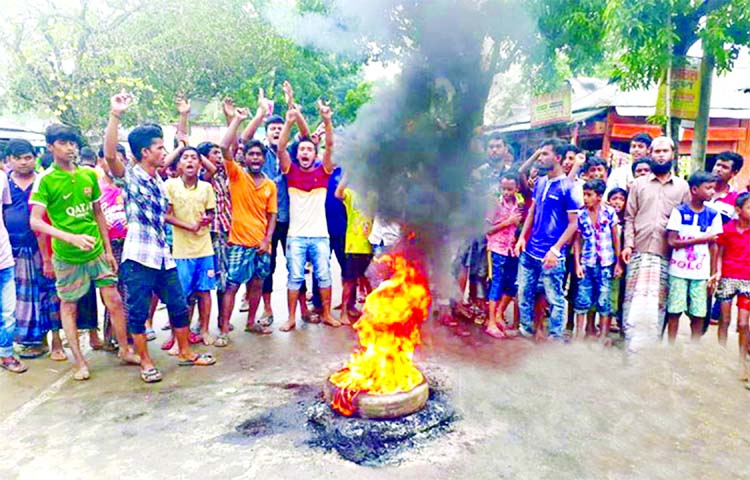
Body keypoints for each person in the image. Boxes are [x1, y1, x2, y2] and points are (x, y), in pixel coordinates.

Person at [104, 91, 215, 384]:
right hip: (138, 259)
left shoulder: (157, 177)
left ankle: (186, 352)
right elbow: (110, 155)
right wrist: (116, 115)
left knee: (179, 306)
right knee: (138, 313)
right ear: (144, 153)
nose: (164, 151)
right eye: (158, 147)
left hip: (163, 257)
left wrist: (184, 115)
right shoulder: (130, 176)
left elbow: (181, 145)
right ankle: (146, 361)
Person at [29, 124, 140, 381]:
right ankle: (79, 361)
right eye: (63, 143)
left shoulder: (89, 176)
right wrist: (70, 237)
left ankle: (125, 349)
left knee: (114, 300)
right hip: (67, 256)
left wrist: (108, 249)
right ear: (50, 147)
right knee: (69, 307)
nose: (70, 148)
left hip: (97, 252)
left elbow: (98, 212)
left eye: (73, 143)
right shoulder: (45, 179)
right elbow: (36, 221)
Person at [621, 136, 690, 350]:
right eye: (657, 151)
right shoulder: (638, 184)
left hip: (666, 253)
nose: (660, 155)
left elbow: (686, 221)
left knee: (658, 302)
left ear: (673, 154)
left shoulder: (682, 187)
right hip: (638, 251)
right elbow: (629, 217)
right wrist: (628, 245)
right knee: (634, 299)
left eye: (665, 151)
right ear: (650, 154)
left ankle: (651, 351)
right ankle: (629, 346)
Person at [216, 108, 277, 345]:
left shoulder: (270, 185)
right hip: (239, 243)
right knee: (232, 286)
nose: (255, 158)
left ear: (263, 158)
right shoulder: (237, 175)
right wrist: (237, 120)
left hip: (261, 245)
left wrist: (266, 241)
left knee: (258, 284)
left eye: (258, 155)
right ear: (245, 157)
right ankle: (223, 329)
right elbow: (223, 148)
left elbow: (272, 216)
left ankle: (251, 323)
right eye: (251, 154)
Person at [277, 102, 337, 331]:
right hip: (296, 236)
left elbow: (330, 146)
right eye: (302, 150)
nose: (305, 152)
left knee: (324, 276)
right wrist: (289, 121)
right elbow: (281, 148)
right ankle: (291, 318)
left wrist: (327, 120)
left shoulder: (323, 172)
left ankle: (327, 314)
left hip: (321, 236)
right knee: (294, 277)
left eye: (309, 149)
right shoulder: (290, 172)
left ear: (315, 153)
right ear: (298, 153)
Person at [514, 138, 582, 341]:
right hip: (530, 251)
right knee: (524, 293)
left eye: (545, 154)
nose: (540, 158)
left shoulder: (569, 188)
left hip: (551, 256)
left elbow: (573, 224)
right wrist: (522, 239)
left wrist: (555, 250)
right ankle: (525, 331)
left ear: (558, 157)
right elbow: (533, 212)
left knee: (555, 299)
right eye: (540, 154)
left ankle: (556, 337)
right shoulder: (541, 182)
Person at [4, 139, 64, 360]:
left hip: (46, 249)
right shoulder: (5, 184)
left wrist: (49, 256)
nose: (23, 162)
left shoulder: (43, 181)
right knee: (25, 297)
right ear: (8, 160)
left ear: (35, 158)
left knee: (52, 294)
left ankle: (57, 341)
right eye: (17, 158)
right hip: (15, 251)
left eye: (28, 157)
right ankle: (36, 341)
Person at [164, 147, 216, 345]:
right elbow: (166, 215)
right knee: (180, 295)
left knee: (205, 291)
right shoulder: (170, 186)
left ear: (200, 164)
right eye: (185, 158)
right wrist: (189, 226)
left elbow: (211, 213)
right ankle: (177, 335)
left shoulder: (206, 187)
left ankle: (204, 330)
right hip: (181, 250)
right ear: (179, 165)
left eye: (194, 158)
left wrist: (205, 220)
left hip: (204, 248)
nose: (190, 161)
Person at [665, 171, 722, 344]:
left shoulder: (713, 214)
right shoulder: (679, 212)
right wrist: (702, 239)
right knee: (674, 310)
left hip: (701, 273)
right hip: (678, 271)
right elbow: (672, 241)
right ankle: (671, 346)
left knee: (698, 312)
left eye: (714, 188)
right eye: (708, 188)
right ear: (695, 189)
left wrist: (713, 273)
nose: (712, 192)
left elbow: (715, 246)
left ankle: (695, 346)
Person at [573, 179, 622, 343]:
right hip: (587, 263)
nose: (585, 198)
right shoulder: (581, 214)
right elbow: (577, 240)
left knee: (604, 299)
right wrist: (578, 263)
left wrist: (618, 262)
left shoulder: (609, 213)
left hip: (606, 264)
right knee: (583, 299)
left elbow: (616, 238)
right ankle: (579, 336)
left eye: (589, 195)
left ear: (599, 197)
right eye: (584, 195)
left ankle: (602, 337)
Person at [712, 192, 750, 383]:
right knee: (724, 319)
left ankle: (742, 362)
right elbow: (719, 251)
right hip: (727, 276)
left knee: (743, 323)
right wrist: (717, 272)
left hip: (747, 280)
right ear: (738, 210)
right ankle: (721, 357)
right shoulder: (727, 229)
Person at [96, 145, 131, 346]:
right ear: (101, 161)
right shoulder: (96, 188)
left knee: (129, 291)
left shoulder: (126, 186)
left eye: (120, 159)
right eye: (110, 159)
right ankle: (112, 335)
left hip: (129, 244)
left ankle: (125, 335)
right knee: (112, 292)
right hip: (108, 247)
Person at [484, 172, 523, 339]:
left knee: (512, 284)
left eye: (510, 189)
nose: (506, 192)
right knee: (496, 284)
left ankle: (499, 314)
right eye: (503, 188)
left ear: (517, 189)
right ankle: (491, 321)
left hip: (512, 250)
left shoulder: (519, 204)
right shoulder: (495, 204)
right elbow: (486, 230)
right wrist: (508, 222)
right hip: (496, 249)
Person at [334, 173, 374, 326]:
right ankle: (344, 312)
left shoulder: (374, 196)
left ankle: (370, 312)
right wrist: (350, 171)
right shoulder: (351, 194)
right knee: (349, 281)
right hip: (353, 246)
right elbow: (338, 194)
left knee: (369, 281)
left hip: (370, 245)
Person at [0, 167, 26, 373]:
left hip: (4, 257)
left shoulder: (2, 178)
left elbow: (6, 210)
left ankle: (6, 353)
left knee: (9, 312)